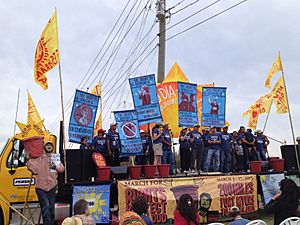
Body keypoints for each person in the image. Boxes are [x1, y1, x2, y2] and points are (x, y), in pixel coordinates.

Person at [27, 141, 65, 225]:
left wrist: (55, 166)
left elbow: (62, 169)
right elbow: (34, 170)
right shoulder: (38, 158)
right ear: (44, 147)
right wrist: (28, 159)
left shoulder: (55, 157)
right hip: (41, 187)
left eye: (50, 146)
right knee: (46, 207)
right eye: (47, 146)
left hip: (52, 186)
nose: (49, 147)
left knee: (51, 208)